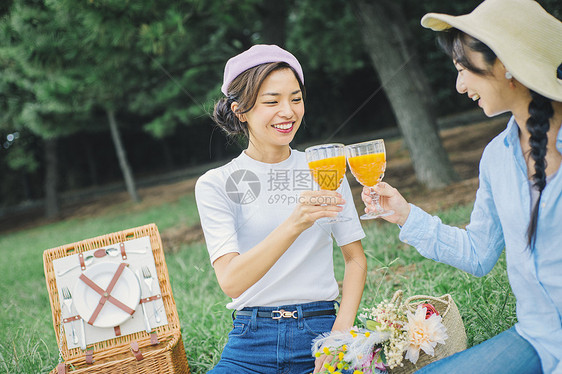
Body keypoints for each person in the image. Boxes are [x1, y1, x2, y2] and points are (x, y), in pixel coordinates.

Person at [362, 0, 562, 373]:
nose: (458, 85)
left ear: (506, 65)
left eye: (463, 69)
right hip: (538, 336)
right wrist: (405, 215)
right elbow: (479, 252)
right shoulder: (497, 158)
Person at [195, 44, 367, 374]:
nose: (288, 111)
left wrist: (339, 337)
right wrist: (295, 223)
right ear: (240, 110)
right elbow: (231, 281)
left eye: (296, 99)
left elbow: (356, 259)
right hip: (250, 339)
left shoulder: (325, 168)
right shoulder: (216, 183)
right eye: (272, 102)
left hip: (320, 330)